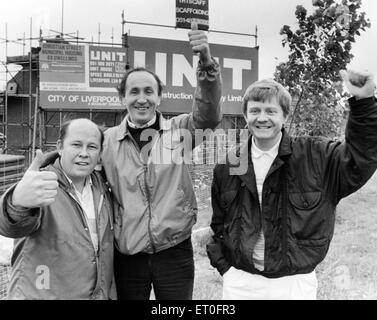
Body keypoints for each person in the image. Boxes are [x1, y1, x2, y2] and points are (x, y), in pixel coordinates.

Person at [206, 70, 377, 300]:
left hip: (294, 285)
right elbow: (219, 225)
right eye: (255, 111)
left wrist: (364, 103)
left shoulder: (317, 157)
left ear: (285, 116)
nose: (262, 118)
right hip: (240, 283)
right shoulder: (229, 165)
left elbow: (362, 156)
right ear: (245, 115)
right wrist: (227, 270)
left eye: (271, 111)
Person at [101, 22, 222, 300]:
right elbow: (75, 160)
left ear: (159, 97)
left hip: (174, 250)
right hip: (128, 253)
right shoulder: (107, 141)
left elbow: (210, 114)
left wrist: (205, 62)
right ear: (122, 98)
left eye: (148, 91)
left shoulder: (180, 131)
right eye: (134, 92)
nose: (141, 99)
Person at [0, 119, 115, 300]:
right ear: (60, 147)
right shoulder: (42, 184)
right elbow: (11, 225)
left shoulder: (103, 188)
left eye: (92, 147)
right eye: (76, 145)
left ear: (100, 153)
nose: (84, 153)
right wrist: (17, 203)